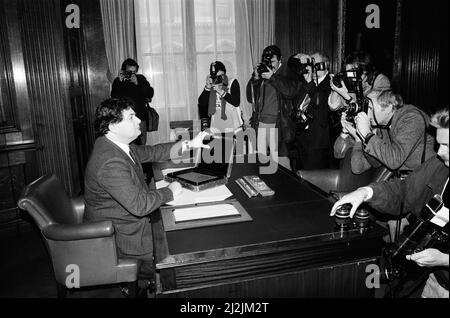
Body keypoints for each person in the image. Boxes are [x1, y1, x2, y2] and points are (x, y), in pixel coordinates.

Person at [84, 97, 209, 285]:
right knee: (186, 253)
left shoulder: (115, 145)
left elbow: (153, 152)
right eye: (131, 117)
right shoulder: (110, 162)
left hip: (128, 225)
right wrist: (170, 191)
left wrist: (190, 144)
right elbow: (140, 205)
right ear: (112, 126)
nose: (138, 121)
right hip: (125, 240)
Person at [331, 107, 449, 298]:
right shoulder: (438, 165)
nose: (440, 152)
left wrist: (444, 260)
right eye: (439, 144)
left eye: (448, 145)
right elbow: (404, 190)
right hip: (436, 281)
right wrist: (366, 192)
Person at [334, 90, 436, 175]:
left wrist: (367, 135)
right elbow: (359, 167)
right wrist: (358, 138)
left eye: (369, 108)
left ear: (389, 107)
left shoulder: (411, 118)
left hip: (425, 178)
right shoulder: (383, 127)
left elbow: (394, 160)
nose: (367, 113)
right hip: (404, 180)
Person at [246, 45, 311, 170]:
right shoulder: (262, 73)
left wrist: (272, 77)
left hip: (279, 125)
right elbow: (250, 97)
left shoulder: (288, 72)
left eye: (273, 62)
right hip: (261, 124)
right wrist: (255, 78)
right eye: (268, 62)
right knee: (262, 162)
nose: (270, 65)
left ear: (280, 59)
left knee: (281, 163)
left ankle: (285, 187)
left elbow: (290, 91)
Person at [289, 51, 333, 170]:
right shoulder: (309, 82)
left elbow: (319, 103)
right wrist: (299, 56)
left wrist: (309, 82)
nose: (312, 68)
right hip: (302, 139)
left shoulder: (331, 83)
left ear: (324, 65)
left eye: (315, 64)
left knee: (313, 180)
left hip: (317, 143)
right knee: (301, 177)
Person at [111, 58, 154, 145]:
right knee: (126, 143)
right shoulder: (118, 81)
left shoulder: (140, 79)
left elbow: (150, 93)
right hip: (124, 118)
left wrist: (138, 83)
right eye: (129, 72)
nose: (132, 75)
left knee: (142, 144)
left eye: (134, 72)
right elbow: (114, 98)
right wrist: (119, 82)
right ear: (123, 71)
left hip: (140, 117)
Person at [198, 61, 242, 133]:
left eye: (221, 75)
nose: (219, 78)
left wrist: (221, 91)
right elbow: (202, 103)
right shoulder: (212, 85)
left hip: (233, 126)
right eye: (216, 76)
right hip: (217, 127)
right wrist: (207, 87)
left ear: (224, 72)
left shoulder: (232, 82)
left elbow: (236, 102)